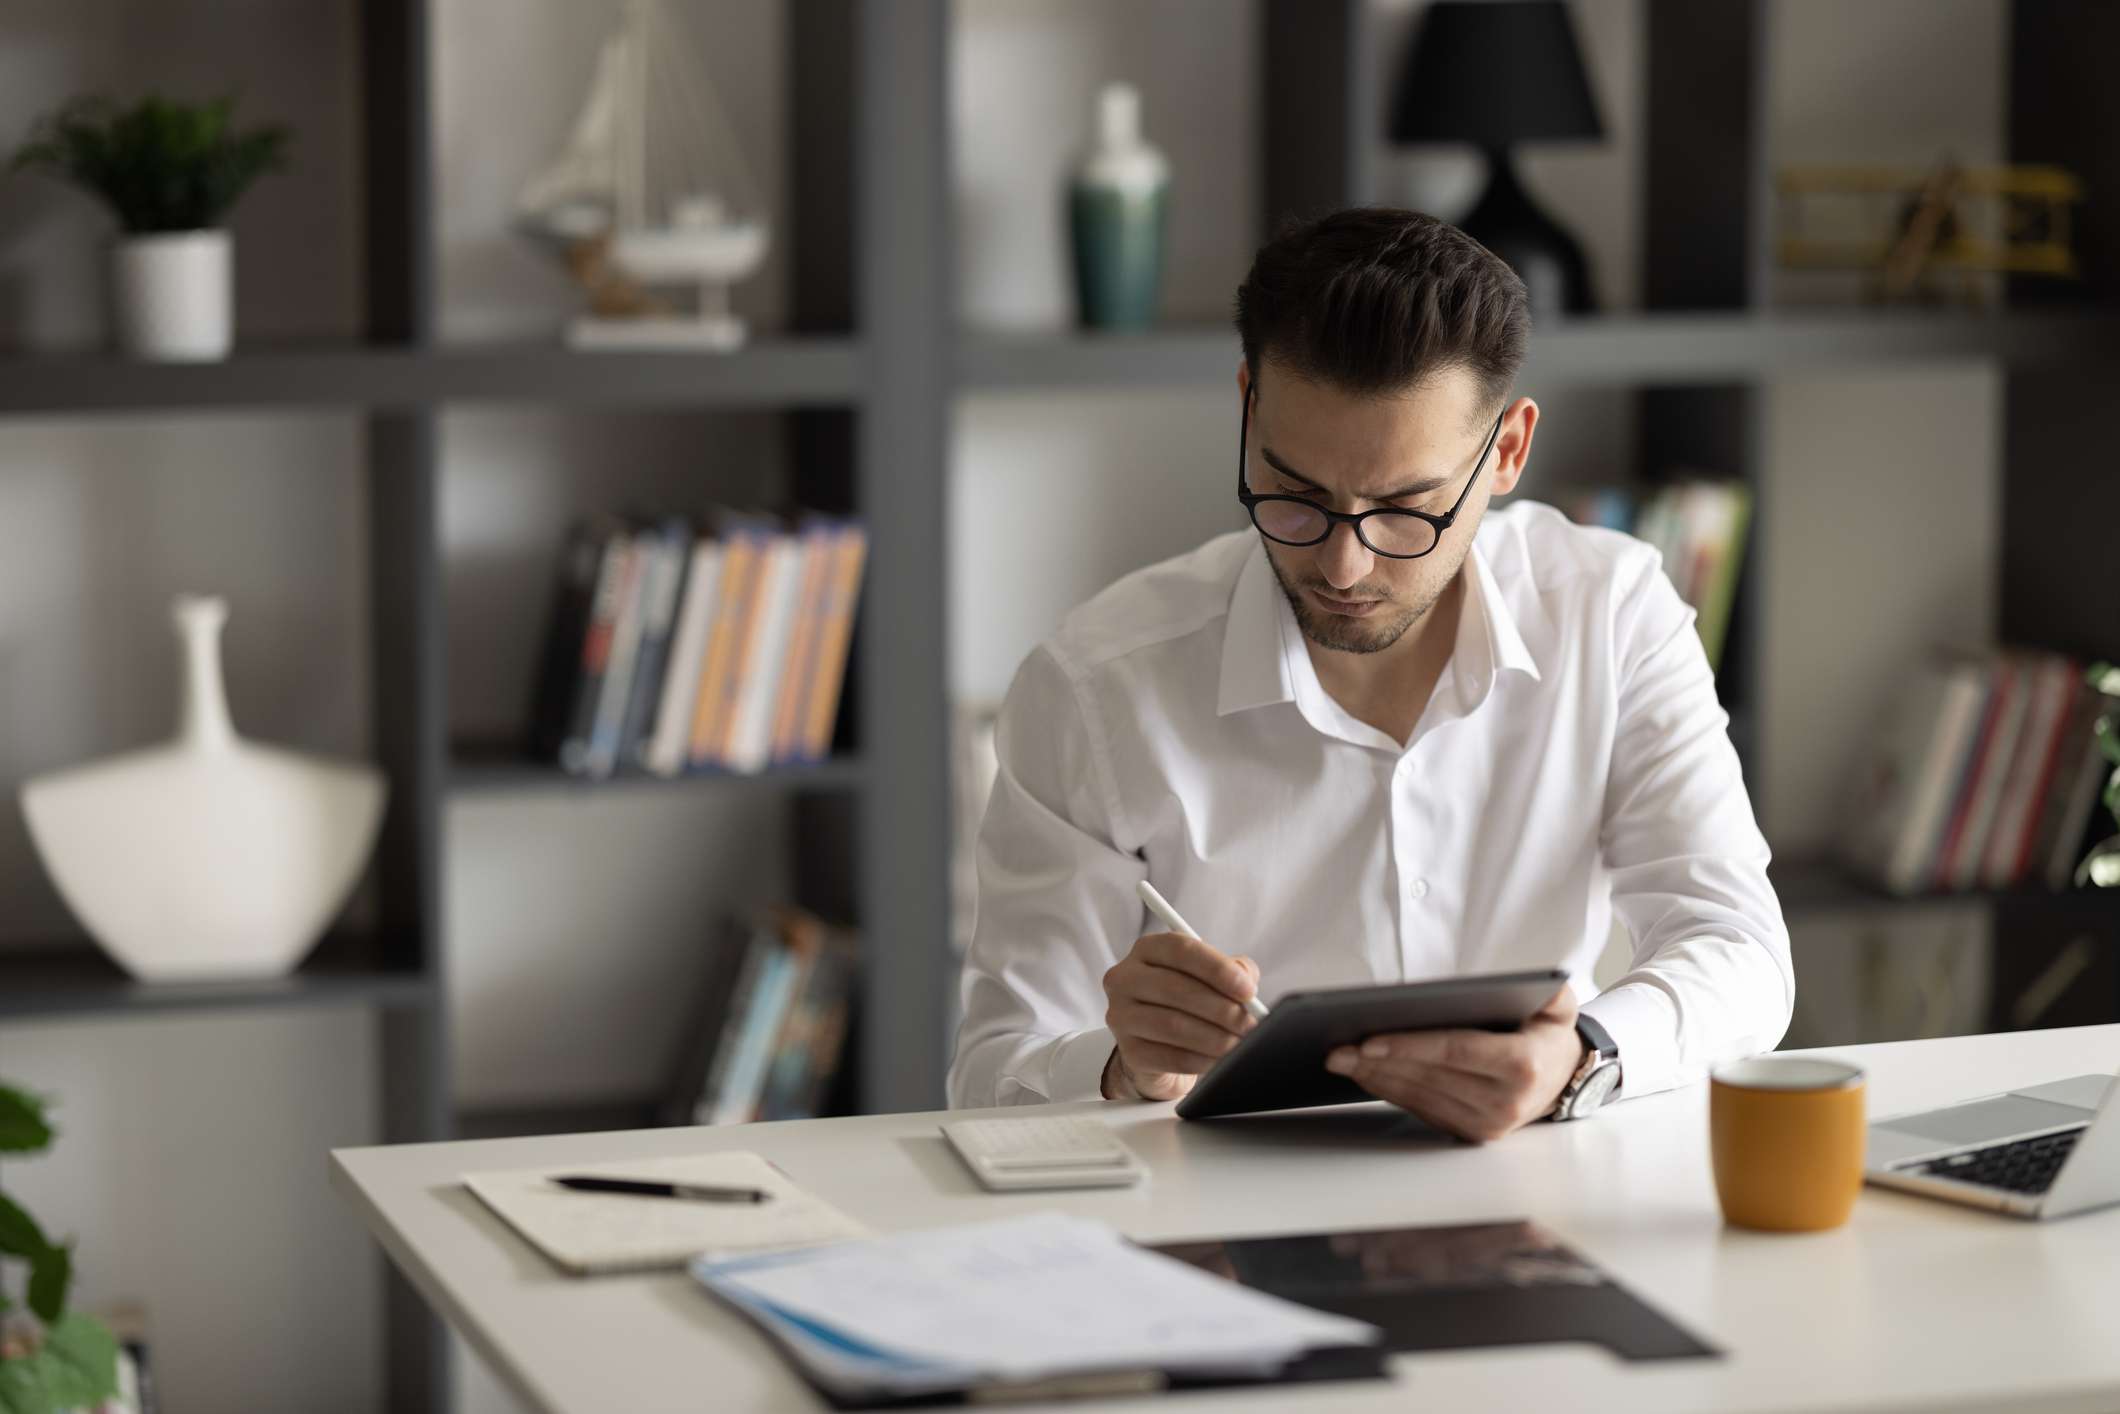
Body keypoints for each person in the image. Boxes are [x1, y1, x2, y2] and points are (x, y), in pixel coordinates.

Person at [947, 208, 1792, 1139]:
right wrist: (1120, 1065)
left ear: (1507, 451)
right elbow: (993, 1072)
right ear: (1247, 408)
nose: (1343, 568)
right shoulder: (1096, 688)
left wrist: (1582, 1054)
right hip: (1214, 1232)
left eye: (1404, 509)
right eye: (1297, 495)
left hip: (1544, 1194)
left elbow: (1741, 951)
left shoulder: (1612, 615)